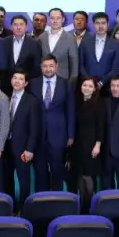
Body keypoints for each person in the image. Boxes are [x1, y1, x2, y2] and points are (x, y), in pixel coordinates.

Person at [31, 55, 73, 193]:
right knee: (40, 171)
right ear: (40, 67)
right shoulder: (33, 83)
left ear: (56, 67)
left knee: (57, 170)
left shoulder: (66, 84)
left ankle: (57, 200)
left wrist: (70, 135)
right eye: (45, 66)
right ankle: (40, 200)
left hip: (58, 134)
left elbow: (70, 111)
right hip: (38, 135)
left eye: (51, 66)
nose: (48, 69)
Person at [6, 70, 41, 210]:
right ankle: (9, 207)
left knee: (23, 180)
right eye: (14, 78)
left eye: (21, 79)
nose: (17, 81)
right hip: (5, 146)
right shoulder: (5, 97)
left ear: (26, 83)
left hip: (22, 147)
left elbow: (34, 127)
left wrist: (29, 149)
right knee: (6, 178)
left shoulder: (31, 101)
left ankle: (23, 209)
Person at [70, 76, 105, 213]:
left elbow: (101, 126)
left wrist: (98, 145)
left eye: (90, 86)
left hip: (91, 144)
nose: (87, 88)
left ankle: (88, 206)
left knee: (88, 175)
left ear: (95, 88)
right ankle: (78, 205)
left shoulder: (99, 104)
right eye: (84, 85)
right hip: (77, 144)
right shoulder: (76, 101)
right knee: (78, 174)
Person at [38, 8, 79, 83]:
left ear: (63, 20)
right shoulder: (41, 38)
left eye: (58, 18)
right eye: (52, 18)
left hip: (63, 82)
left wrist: (69, 86)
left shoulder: (70, 39)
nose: (55, 21)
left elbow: (74, 67)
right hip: (43, 82)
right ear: (49, 20)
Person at [4, 15, 42, 91]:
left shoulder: (34, 44)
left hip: (26, 86)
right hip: (5, 85)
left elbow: (36, 68)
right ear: (11, 27)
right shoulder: (3, 42)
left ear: (26, 27)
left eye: (21, 24)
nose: (18, 27)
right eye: (15, 24)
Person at [80, 12, 119, 82]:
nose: (100, 26)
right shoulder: (85, 42)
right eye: (97, 23)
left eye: (103, 23)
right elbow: (80, 64)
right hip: (88, 84)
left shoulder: (115, 44)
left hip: (107, 84)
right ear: (93, 24)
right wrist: (88, 80)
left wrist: (102, 83)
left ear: (108, 24)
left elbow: (115, 68)